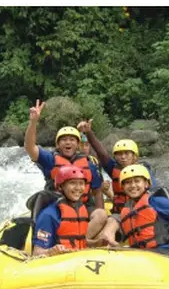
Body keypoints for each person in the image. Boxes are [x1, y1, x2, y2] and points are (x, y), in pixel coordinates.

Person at [23, 100, 108, 241]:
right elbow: (30, 147)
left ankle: (82, 241)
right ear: (58, 144)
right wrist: (33, 122)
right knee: (43, 198)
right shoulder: (50, 159)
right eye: (64, 140)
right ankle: (40, 239)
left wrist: (101, 222)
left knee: (100, 215)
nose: (68, 142)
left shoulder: (88, 164)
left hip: (83, 206)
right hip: (58, 205)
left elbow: (97, 191)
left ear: (78, 144)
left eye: (72, 140)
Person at [98, 164, 169, 262]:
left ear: (146, 184)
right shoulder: (126, 210)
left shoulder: (157, 202)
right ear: (123, 187)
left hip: (167, 251)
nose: (132, 185)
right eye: (128, 182)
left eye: (137, 181)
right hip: (143, 254)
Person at [76, 120, 156, 215]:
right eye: (119, 154)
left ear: (134, 155)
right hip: (119, 213)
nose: (123, 157)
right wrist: (89, 132)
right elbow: (102, 153)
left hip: (141, 212)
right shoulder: (113, 168)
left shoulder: (144, 170)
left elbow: (153, 190)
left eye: (126, 153)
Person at [32, 166, 108, 257]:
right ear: (61, 186)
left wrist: (96, 243)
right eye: (72, 183)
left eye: (81, 183)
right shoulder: (49, 215)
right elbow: (36, 253)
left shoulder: (81, 209)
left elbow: (77, 241)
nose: (78, 188)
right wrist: (50, 252)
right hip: (58, 263)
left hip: (77, 259)